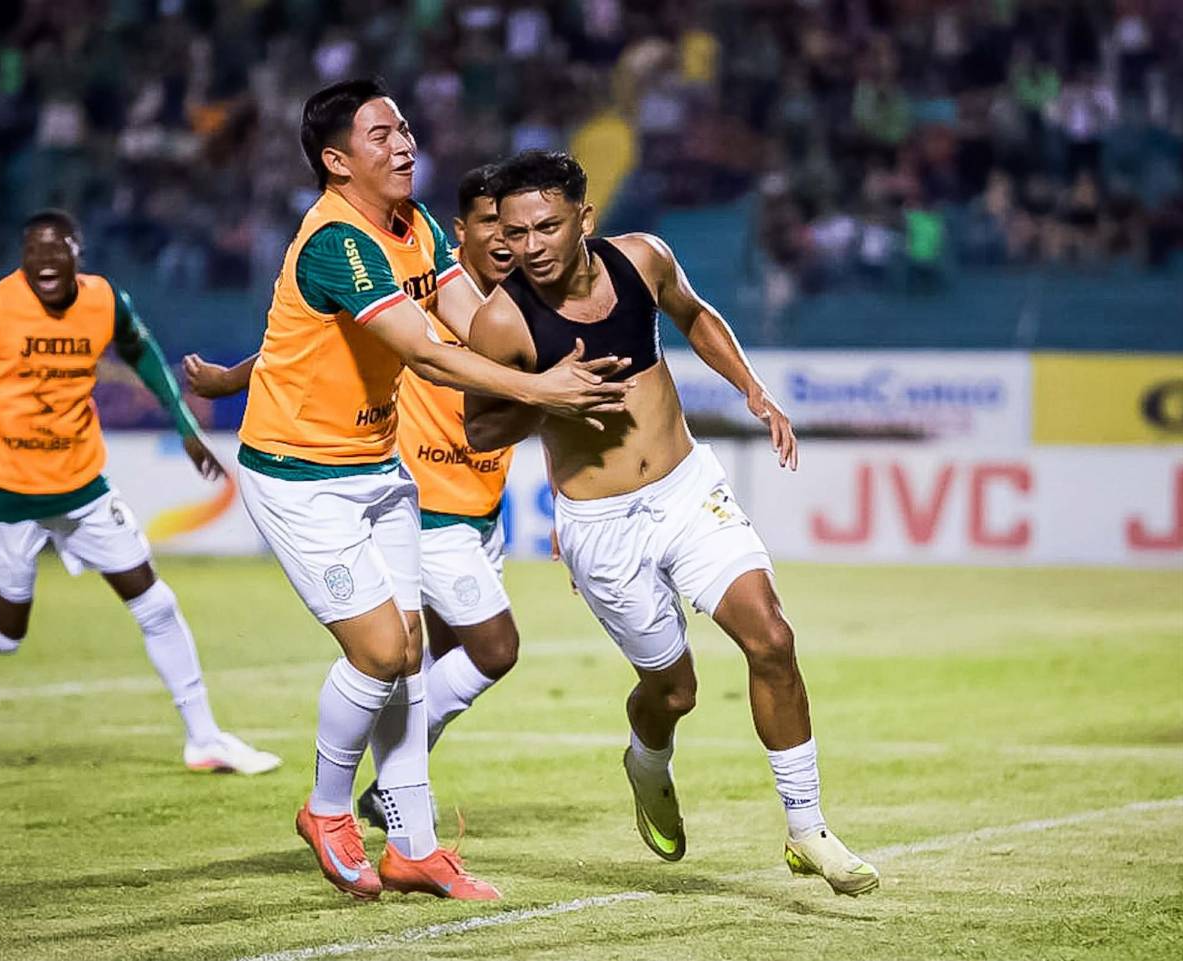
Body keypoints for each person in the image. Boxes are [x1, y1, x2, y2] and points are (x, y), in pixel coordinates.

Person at [228, 81, 629, 902]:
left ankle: (413, 845)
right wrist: (543, 392)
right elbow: (429, 353)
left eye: (404, 127)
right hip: (302, 477)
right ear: (337, 162)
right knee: (379, 652)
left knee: (410, 660)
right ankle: (328, 808)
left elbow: (466, 316)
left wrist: (548, 340)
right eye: (380, 135)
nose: (404, 143)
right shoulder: (336, 245)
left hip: (377, 469)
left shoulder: (416, 226)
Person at [464, 150, 879, 897]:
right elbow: (480, 430)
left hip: (690, 491)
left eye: (545, 227)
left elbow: (693, 314)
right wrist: (545, 395)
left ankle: (807, 828)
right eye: (515, 232)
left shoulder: (643, 259)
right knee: (674, 690)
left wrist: (753, 389)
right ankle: (646, 762)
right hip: (601, 524)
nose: (528, 247)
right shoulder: (502, 318)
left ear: (583, 219)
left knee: (773, 638)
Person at [184, 166, 525, 826]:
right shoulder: (392, 287)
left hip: (478, 509)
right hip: (421, 505)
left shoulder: (503, 316)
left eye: (520, 226)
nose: (509, 238)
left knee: (423, 659)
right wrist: (230, 379)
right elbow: (305, 348)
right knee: (481, 649)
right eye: (493, 223)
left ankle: (403, 820)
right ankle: (351, 800)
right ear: (463, 233)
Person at [0, 209, 281, 777]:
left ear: (79, 252)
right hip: (11, 495)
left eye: (58, 249)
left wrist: (186, 429)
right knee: (2, 637)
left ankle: (205, 739)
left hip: (83, 487)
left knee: (155, 602)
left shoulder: (104, 301)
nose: (45, 262)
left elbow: (141, 352)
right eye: (33, 251)